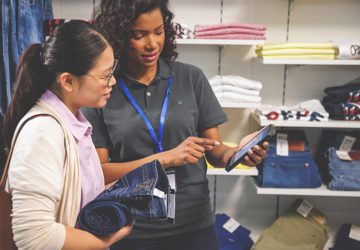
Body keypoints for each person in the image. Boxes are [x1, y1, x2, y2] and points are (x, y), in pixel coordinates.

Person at [83, 1, 269, 249]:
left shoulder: (191, 78)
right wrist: (166, 158)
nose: (152, 44)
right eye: (139, 35)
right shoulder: (104, 89)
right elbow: (100, 172)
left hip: (194, 224)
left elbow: (214, 151)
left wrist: (239, 154)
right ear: (118, 37)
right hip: (131, 228)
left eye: (158, 32)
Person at [2, 20, 132, 250]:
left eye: (112, 71)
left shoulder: (74, 124)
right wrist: (108, 239)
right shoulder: (42, 134)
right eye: (104, 75)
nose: (112, 81)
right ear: (68, 81)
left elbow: (76, 199)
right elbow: (35, 238)